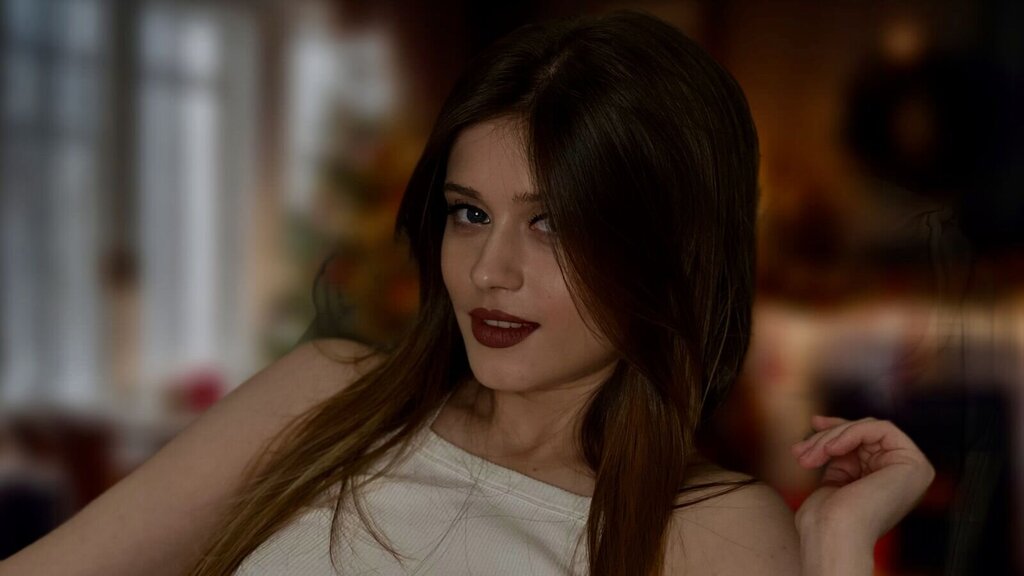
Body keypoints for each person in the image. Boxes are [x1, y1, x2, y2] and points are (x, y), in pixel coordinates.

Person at [0, 10, 934, 576]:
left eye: (552, 224)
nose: (490, 271)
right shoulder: (328, 396)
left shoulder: (714, 530)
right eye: (469, 213)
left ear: (667, 253)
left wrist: (837, 546)